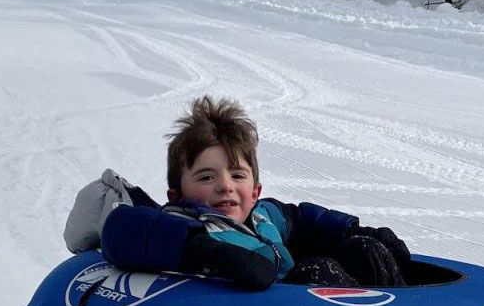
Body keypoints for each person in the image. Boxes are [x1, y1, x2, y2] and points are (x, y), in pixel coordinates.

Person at [64, 97, 410, 291]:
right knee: (317, 273)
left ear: (255, 190)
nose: (225, 185)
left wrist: (353, 230)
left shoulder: (264, 216)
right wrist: (203, 249)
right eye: (206, 176)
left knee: (364, 251)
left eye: (237, 175)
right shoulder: (181, 221)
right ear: (177, 193)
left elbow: (304, 218)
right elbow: (124, 229)